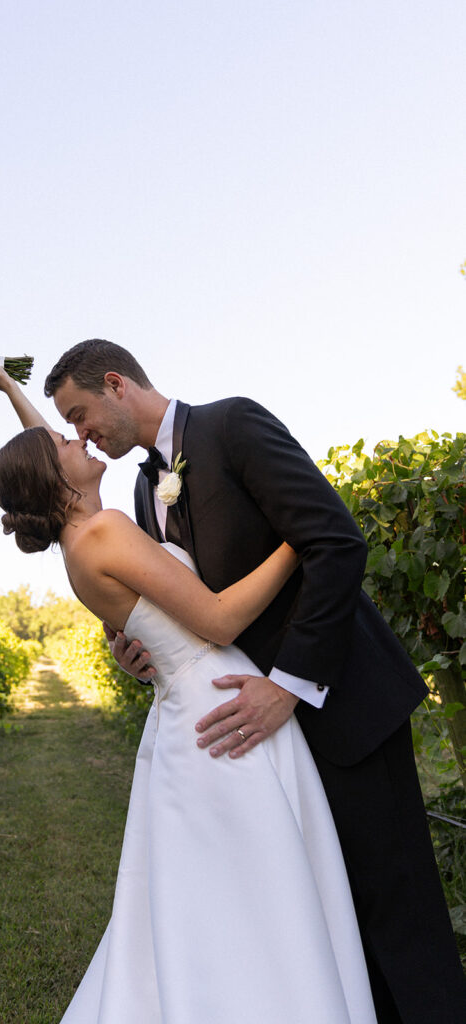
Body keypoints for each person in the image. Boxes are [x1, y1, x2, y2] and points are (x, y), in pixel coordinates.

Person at [40, 339, 466, 1024]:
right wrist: (133, 643)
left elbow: (334, 542)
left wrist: (290, 685)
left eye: (80, 414)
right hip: (264, 742)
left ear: (116, 385)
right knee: (336, 920)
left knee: (398, 916)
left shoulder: (231, 424)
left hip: (341, 704)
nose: (79, 434)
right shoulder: (143, 491)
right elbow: (176, 601)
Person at [0, 351, 379, 1023]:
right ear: (52, 477)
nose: (77, 436)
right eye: (63, 436)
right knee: (264, 885)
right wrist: (297, 538)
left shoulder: (81, 541)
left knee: (221, 892)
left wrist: (8, 389)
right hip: (218, 710)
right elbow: (217, 617)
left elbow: (40, 465)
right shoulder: (103, 529)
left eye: (74, 420)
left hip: (185, 711)